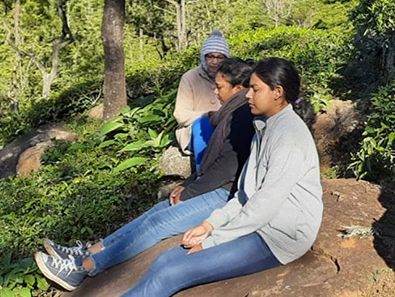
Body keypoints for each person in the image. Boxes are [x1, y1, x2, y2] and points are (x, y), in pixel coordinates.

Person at [35, 58, 256, 292]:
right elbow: (213, 162)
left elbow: (227, 168)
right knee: (155, 212)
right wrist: (189, 184)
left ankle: (84, 268)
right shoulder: (231, 113)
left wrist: (191, 191)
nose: (215, 90)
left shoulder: (241, 116)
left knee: (158, 224)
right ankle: (89, 250)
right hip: (214, 187)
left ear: (238, 89)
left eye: (220, 86)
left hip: (224, 195)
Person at [120, 57, 323, 297]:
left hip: (279, 236)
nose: (248, 95)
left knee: (172, 272)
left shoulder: (288, 136)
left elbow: (265, 204)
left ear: (277, 92)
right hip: (260, 223)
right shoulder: (264, 127)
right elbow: (245, 193)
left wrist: (212, 240)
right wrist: (210, 224)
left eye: (255, 89)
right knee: (166, 260)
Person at [174, 30, 230, 153]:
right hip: (194, 130)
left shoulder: (231, 77)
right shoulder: (189, 77)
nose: (214, 61)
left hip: (224, 127)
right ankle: (203, 171)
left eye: (220, 57)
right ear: (203, 57)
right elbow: (180, 115)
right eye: (210, 56)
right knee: (203, 125)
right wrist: (209, 115)